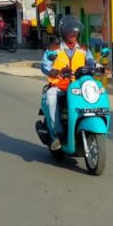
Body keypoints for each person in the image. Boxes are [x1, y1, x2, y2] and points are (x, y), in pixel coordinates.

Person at [40, 17, 88, 151]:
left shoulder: (84, 49)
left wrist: (100, 67)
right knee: (50, 97)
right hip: (59, 87)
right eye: (70, 32)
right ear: (63, 33)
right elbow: (44, 65)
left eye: (75, 32)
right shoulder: (53, 49)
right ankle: (58, 134)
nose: (73, 35)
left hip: (79, 87)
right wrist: (52, 71)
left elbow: (91, 62)